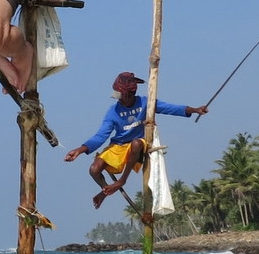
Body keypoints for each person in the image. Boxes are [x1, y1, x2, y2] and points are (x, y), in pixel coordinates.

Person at [64, 71, 207, 208]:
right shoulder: (112, 111)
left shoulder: (146, 102)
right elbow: (101, 136)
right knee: (94, 170)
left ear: (128, 94)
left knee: (136, 143)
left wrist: (195, 110)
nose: (117, 97)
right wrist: (80, 150)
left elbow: (171, 108)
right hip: (118, 145)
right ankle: (105, 190)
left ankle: (121, 181)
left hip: (138, 145)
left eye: (119, 94)